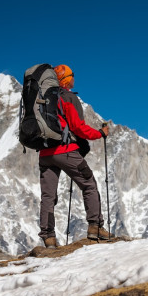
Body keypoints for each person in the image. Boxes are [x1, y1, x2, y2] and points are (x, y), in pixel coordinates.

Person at [38, 64, 112, 247]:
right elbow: (78, 127)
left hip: (45, 153)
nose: (74, 79)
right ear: (66, 80)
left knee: (48, 196)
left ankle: (49, 238)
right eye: (72, 76)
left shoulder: (41, 99)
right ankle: (95, 227)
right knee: (89, 184)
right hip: (65, 151)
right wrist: (100, 133)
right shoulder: (68, 98)